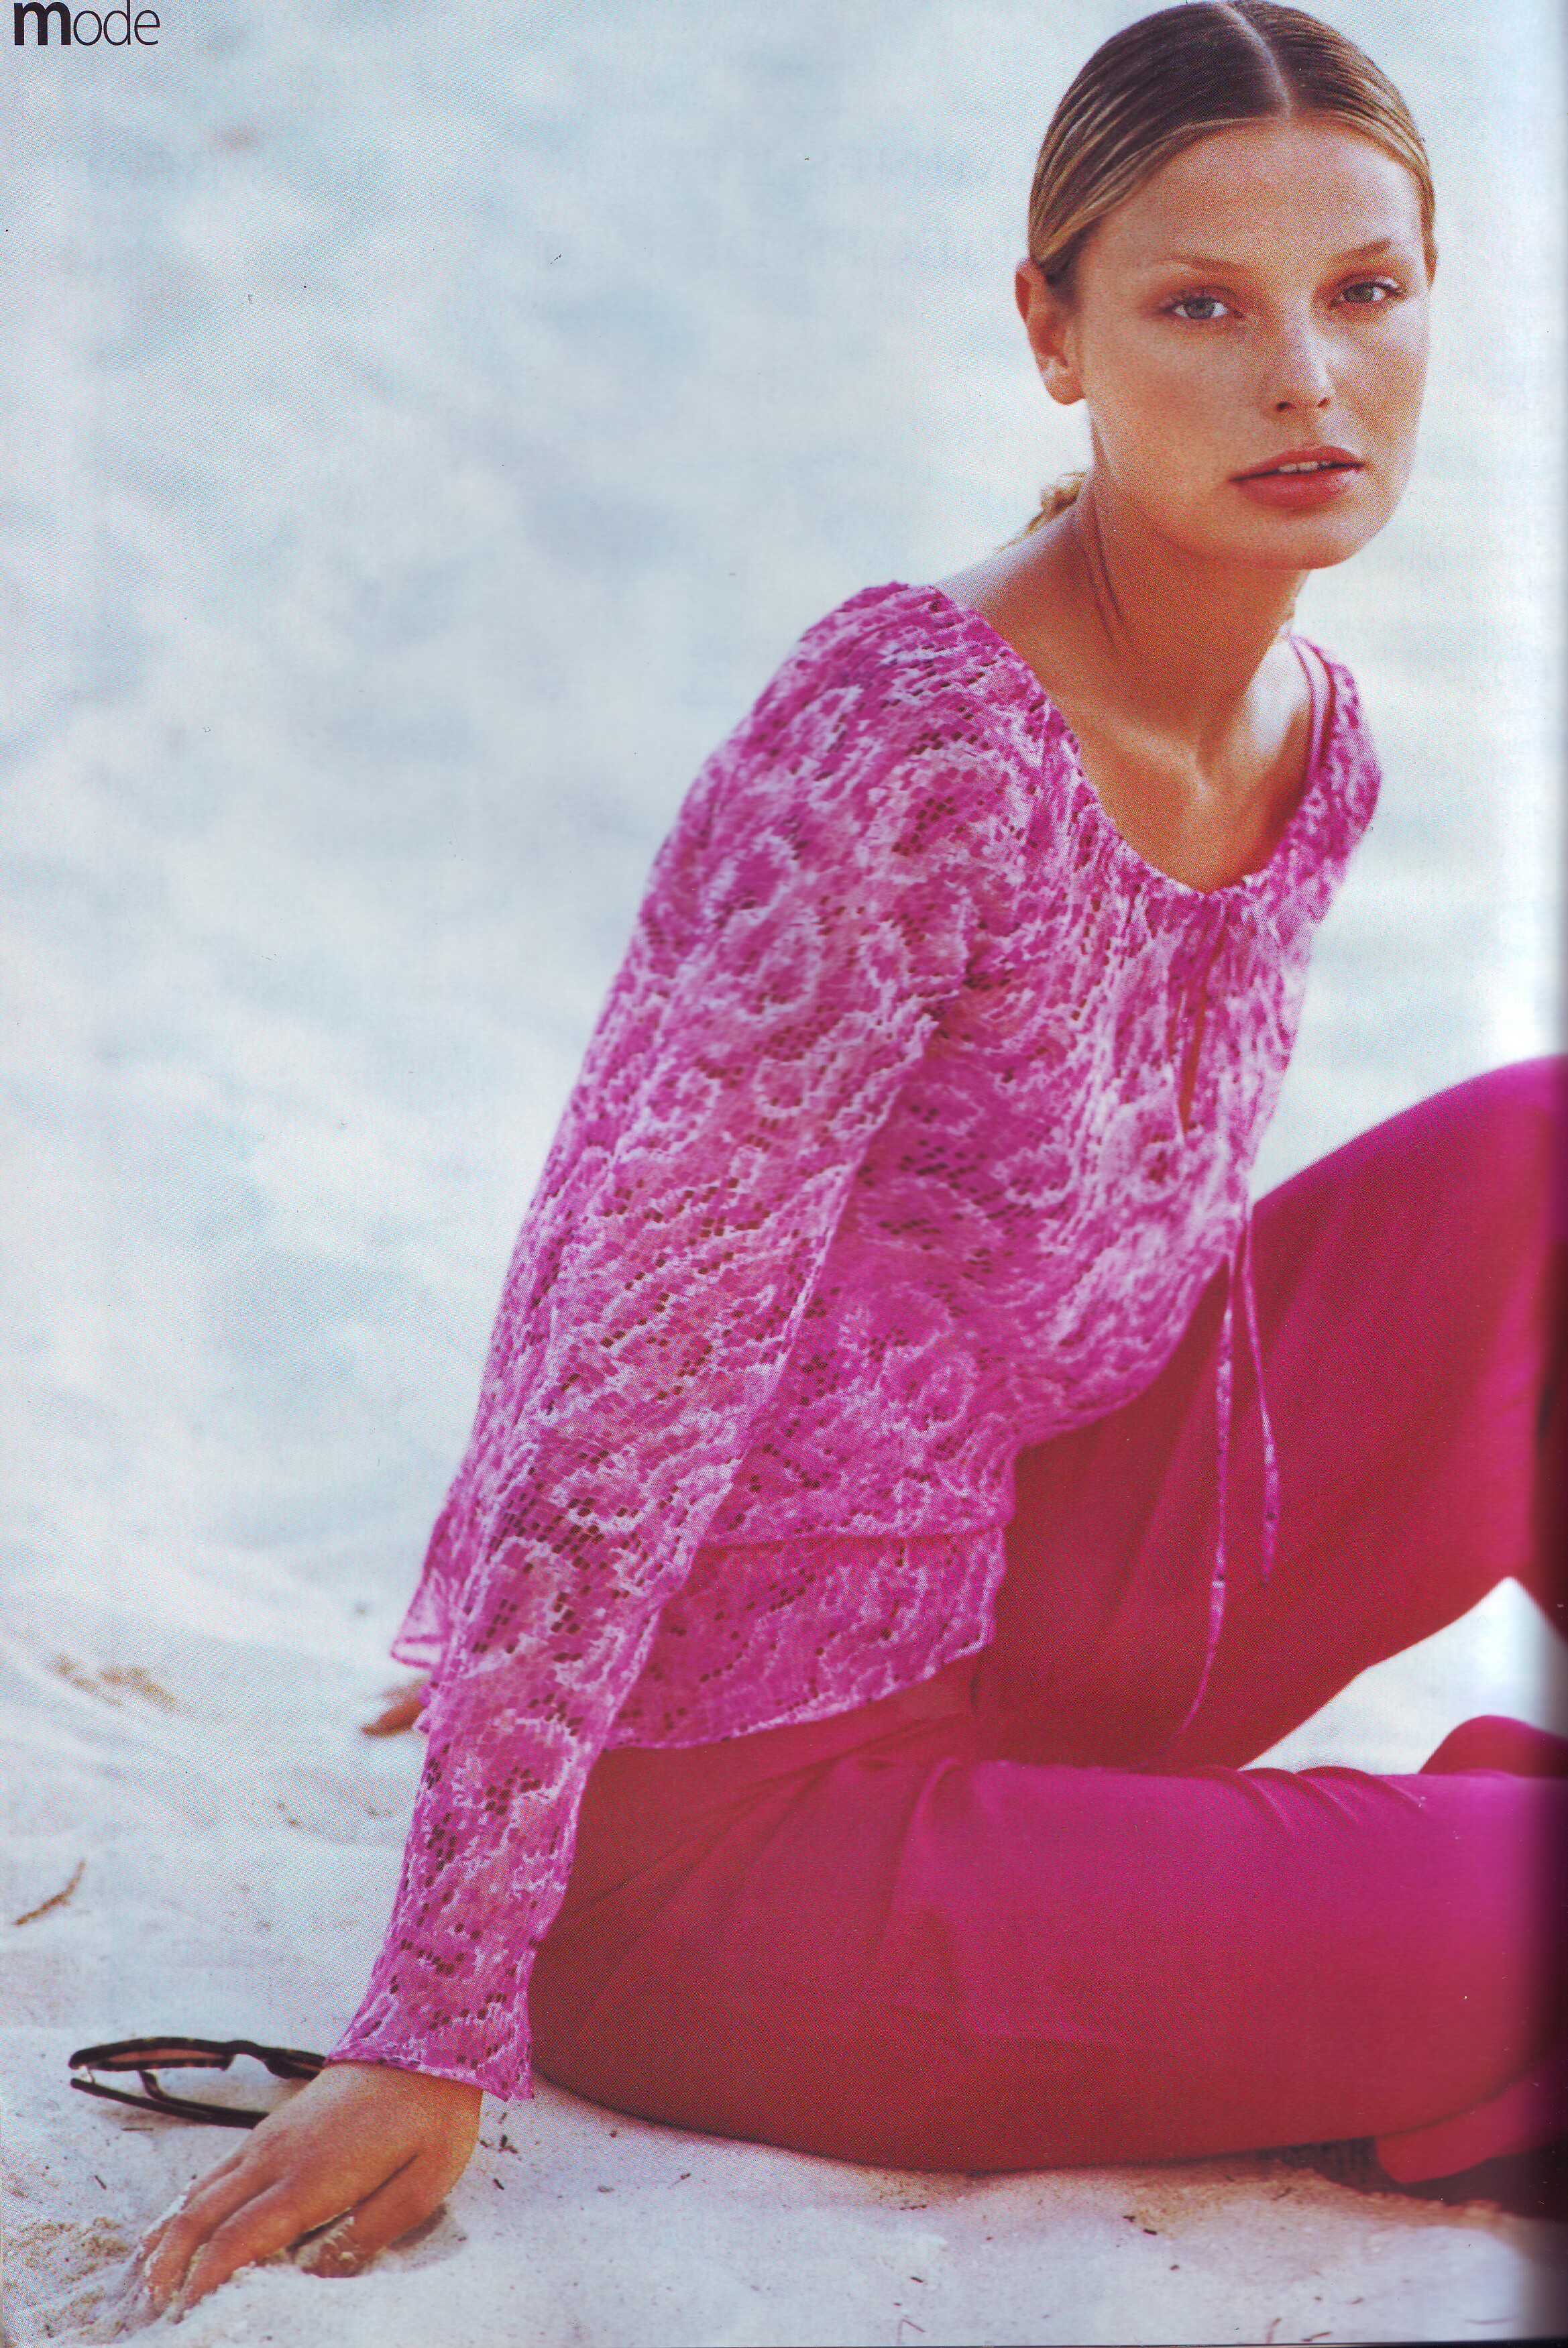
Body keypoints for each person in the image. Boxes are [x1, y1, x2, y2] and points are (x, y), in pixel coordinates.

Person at [130, 0, 1566, 2323]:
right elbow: (615, 1341)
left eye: (1363, 291)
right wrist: (435, 2003)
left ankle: (1352, 1925)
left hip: (1026, 1584)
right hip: (733, 1842)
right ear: (1054, 335)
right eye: (1199, 306)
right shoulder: (899, 748)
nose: (1304, 376)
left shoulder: (1319, 734)